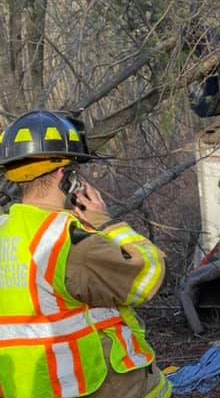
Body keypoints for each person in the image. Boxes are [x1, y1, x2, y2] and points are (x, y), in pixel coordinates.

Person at [0, 111, 170, 398]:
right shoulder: (68, 239)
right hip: (98, 388)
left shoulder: (5, 231)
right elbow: (147, 278)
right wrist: (106, 222)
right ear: (64, 177)